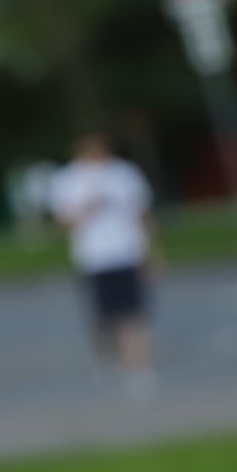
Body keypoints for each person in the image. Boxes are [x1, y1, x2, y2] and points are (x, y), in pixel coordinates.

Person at [45, 132, 162, 398]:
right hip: (94, 258)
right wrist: (88, 208)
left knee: (133, 314)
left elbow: (142, 214)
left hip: (127, 253)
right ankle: (110, 358)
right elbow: (64, 223)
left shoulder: (124, 173)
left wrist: (152, 251)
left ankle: (138, 368)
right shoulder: (68, 179)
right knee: (105, 319)